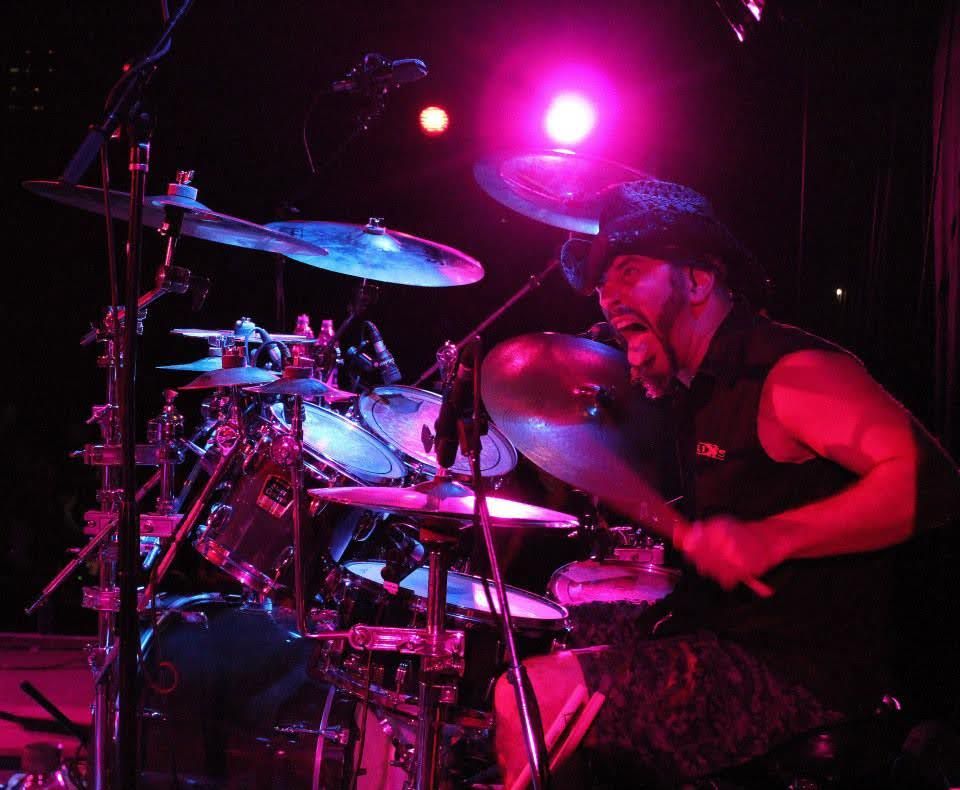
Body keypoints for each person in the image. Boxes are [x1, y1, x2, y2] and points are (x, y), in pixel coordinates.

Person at [493, 179, 960, 788]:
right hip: (731, 634)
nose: (608, 295)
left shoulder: (790, 374)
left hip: (798, 674)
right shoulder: (696, 389)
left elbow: (932, 482)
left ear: (697, 281)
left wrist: (773, 538)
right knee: (563, 619)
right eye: (604, 281)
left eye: (629, 270)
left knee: (525, 694)